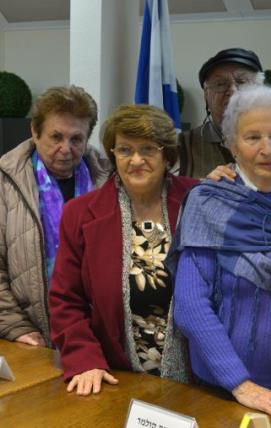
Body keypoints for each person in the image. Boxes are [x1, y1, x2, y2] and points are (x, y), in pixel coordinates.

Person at [170, 85, 271, 418]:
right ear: (232, 144)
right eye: (252, 138)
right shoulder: (209, 201)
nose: (267, 149)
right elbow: (191, 305)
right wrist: (241, 384)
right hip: (221, 390)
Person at [48, 105, 198, 395]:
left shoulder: (199, 200)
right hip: (116, 376)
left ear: (167, 155)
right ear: (113, 154)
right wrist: (84, 359)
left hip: (199, 380)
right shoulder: (80, 214)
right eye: (125, 150)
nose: (136, 160)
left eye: (148, 149)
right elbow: (66, 300)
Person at [0, 85, 110, 347]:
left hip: (101, 338)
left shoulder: (109, 181)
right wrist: (14, 325)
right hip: (30, 337)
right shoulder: (5, 183)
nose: (65, 148)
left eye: (76, 139)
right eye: (56, 137)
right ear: (35, 133)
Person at [178, 48, 265, 177]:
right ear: (206, 95)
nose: (233, 91)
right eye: (220, 84)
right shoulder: (182, 145)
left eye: (242, 82)